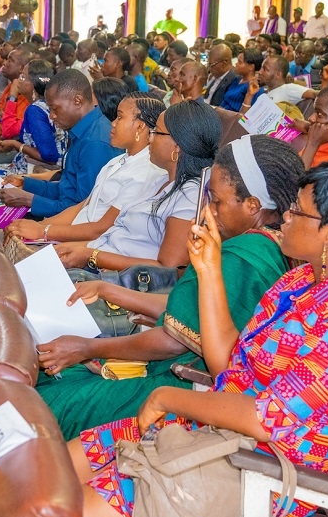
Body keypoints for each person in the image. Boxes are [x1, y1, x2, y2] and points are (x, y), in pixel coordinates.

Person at [71, 157, 328, 517]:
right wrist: (210, 270)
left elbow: (268, 419)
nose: (283, 218)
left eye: (296, 212)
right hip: (216, 431)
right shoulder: (302, 280)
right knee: (46, 476)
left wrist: (165, 397)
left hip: (260, 466)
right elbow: (229, 364)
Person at [35, 136, 304, 440]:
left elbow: (174, 340)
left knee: (44, 406)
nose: (209, 212)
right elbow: (186, 312)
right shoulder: (271, 244)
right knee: (55, 375)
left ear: (252, 205)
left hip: (183, 389)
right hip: (179, 373)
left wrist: (88, 348)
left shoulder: (243, 255)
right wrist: (109, 290)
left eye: (216, 201)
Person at [52, 100, 218, 271]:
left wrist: (92, 256)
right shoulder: (160, 180)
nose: (150, 138)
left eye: (156, 132)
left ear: (177, 146)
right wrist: (76, 249)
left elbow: (168, 270)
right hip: (97, 261)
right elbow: (117, 236)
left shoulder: (190, 196)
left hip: (116, 282)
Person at [4, 93, 167, 246]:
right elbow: (82, 207)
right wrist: (38, 226)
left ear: (139, 127)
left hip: (88, 246)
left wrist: (44, 231)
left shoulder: (143, 172)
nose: (113, 123)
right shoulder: (119, 160)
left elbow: (102, 229)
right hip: (72, 235)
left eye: (120, 117)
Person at [0, 69, 119, 218]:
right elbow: (66, 189)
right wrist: (25, 183)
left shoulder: (95, 143)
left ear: (77, 101)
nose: (52, 116)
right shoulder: (84, 130)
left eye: (55, 109)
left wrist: (27, 199)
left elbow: (81, 211)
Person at [0, 60, 68, 173]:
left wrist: (16, 145)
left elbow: (50, 156)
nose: (19, 80)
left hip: (34, 171)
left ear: (33, 87)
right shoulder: (51, 104)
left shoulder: (35, 110)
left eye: (23, 77)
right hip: (41, 168)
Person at [243, 55, 314, 110]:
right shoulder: (263, 96)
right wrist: (249, 95)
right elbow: (243, 120)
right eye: (261, 68)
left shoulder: (288, 88)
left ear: (278, 75)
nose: (260, 72)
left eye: (265, 69)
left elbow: (316, 94)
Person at [223, 48, 264, 113]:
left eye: (240, 62)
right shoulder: (237, 80)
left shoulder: (254, 88)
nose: (236, 64)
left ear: (251, 67)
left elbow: (247, 114)